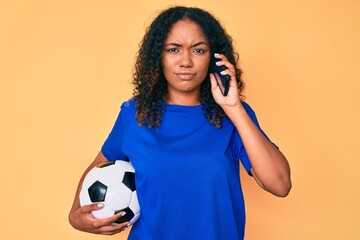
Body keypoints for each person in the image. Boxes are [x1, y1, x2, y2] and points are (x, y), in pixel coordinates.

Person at [68, 6, 291, 240]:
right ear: (158, 57)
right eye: (173, 49)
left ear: (214, 58)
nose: (186, 61)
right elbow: (99, 167)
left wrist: (234, 108)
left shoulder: (234, 116)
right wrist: (75, 216)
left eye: (199, 50)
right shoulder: (135, 114)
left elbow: (280, 184)